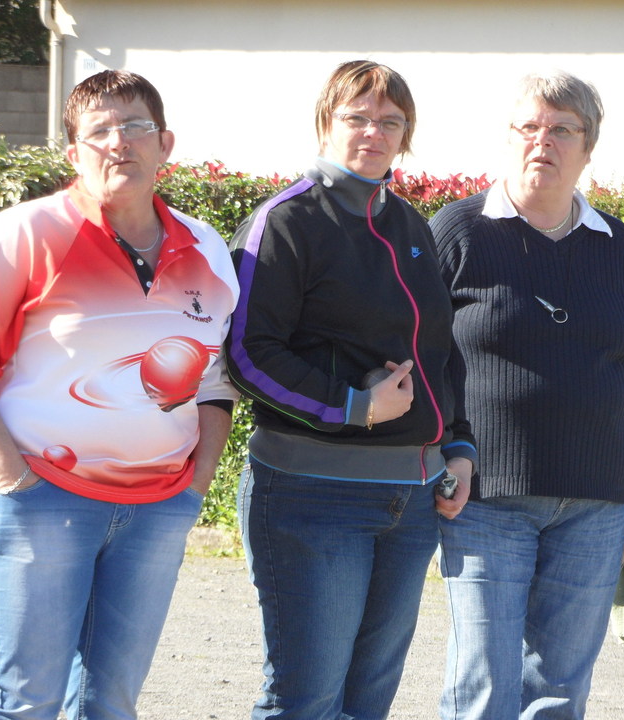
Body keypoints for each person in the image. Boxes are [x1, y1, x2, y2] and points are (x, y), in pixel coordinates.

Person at [0, 70, 239, 720]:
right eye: (98, 131)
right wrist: (12, 477)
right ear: (74, 154)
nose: (117, 142)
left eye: (135, 126)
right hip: (42, 503)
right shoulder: (28, 231)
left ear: (165, 142)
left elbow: (215, 377)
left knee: (110, 705)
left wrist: (196, 485)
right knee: (28, 705)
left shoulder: (206, 244)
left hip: (157, 511)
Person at [225, 59, 478, 720]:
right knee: (306, 701)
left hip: (413, 499)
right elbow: (249, 352)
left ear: (406, 133)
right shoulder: (285, 221)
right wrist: (353, 406)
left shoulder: (412, 226)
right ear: (325, 123)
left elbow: (440, 352)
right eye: (356, 117)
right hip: (312, 495)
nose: (374, 131)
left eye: (390, 120)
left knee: (368, 702)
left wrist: (457, 445)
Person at [430, 70, 624, 720]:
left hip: (596, 508)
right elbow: (426, 358)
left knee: (561, 692)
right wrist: (450, 448)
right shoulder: (459, 232)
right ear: (508, 139)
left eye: (563, 129)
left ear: (588, 148)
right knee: (483, 687)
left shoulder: (616, 244)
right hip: (487, 502)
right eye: (529, 127)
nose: (544, 142)